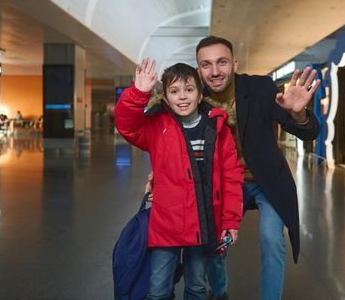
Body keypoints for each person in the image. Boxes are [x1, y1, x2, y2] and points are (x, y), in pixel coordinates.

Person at [195, 36, 320, 300]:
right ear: (198, 70)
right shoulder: (194, 98)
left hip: (267, 181)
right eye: (206, 65)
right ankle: (219, 293)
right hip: (224, 183)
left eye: (222, 62)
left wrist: (298, 113)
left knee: (271, 239)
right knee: (215, 241)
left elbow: (307, 133)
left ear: (234, 63)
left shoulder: (260, 87)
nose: (215, 71)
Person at [114, 60, 243, 300]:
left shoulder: (217, 127)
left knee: (196, 287)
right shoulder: (156, 127)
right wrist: (138, 93)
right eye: (174, 91)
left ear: (200, 93)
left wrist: (231, 220)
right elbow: (127, 126)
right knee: (158, 290)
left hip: (203, 224)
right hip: (167, 223)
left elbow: (231, 176)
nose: (182, 97)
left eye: (189, 90)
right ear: (165, 97)